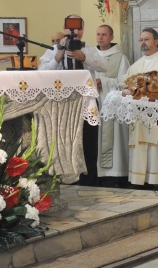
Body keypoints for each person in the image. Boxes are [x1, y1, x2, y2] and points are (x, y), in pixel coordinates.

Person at [39, 14, 108, 186]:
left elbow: (104, 66)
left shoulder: (89, 49)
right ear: (64, 30)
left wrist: (83, 58)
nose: (75, 32)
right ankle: (64, 179)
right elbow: (42, 71)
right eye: (71, 28)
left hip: (86, 103)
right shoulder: (53, 50)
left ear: (83, 31)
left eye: (79, 28)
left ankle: (89, 181)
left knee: (88, 144)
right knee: (63, 142)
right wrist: (59, 55)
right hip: (61, 104)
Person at [122, 28, 158, 189]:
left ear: (156, 42)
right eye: (141, 40)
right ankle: (142, 180)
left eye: (146, 39)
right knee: (142, 150)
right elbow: (126, 86)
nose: (143, 43)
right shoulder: (136, 66)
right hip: (140, 117)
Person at [95, 25, 130, 188]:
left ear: (111, 36)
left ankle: (116, 175)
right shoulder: (90, 57)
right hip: (94, 104)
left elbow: (125, 82)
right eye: (98, 34)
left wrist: (104, 82)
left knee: (115, 140)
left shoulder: (120, 57)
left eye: (104, 35)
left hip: (112, 105)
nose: (100, 38)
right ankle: (98, 175)